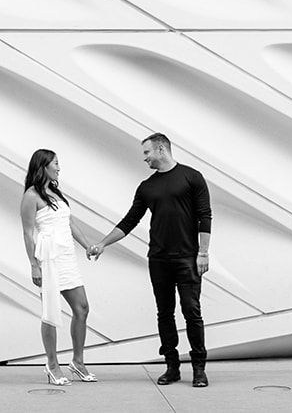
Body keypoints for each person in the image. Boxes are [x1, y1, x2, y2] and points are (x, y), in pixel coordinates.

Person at [88, 133, 211, 388]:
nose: (144, 158)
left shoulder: (192, 177)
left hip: (188, 258)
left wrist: (203, 252)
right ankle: (172, 366)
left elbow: (204, 216)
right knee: (164, 313)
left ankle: (199, 369)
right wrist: (102, 243)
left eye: (147, 153)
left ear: (161, 149)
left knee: (192, 312)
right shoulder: (147, 187)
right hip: (158, 259)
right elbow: (129, 221)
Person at [20, 149, 95, 386]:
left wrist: (87, 245)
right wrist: (34, 265)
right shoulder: (31, 196)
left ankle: (78, 362)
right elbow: (28, 232)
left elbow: (69, 222)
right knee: (51, 313)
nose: (59, 168)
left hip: (67, 257)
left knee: (82, 308)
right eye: (55, 163)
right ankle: (52, 365)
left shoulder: (56, 192)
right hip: (48, 259)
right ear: (42, 166)